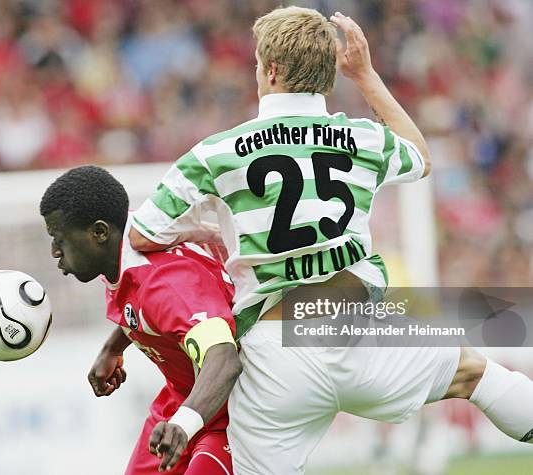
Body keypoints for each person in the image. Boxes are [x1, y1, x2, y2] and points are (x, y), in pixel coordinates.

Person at [127, 7, 533, 475]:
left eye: (258, 65)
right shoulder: (361, 138)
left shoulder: (215, 153)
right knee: (473, 373)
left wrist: (210, 230)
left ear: (271, 70)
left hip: (273, 355)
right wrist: (365, 74)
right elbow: (420, 158)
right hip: (360, 329)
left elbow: (143, 233)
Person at [39, 165, 239, 474]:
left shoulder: (164, 282)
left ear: (99, 232)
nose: (54, 251)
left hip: (232, 410)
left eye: (60, 239)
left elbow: (224, 359)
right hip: (182, 400)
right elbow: (144, 306)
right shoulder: (121, 248)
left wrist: (185, 423)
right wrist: (113, 347)